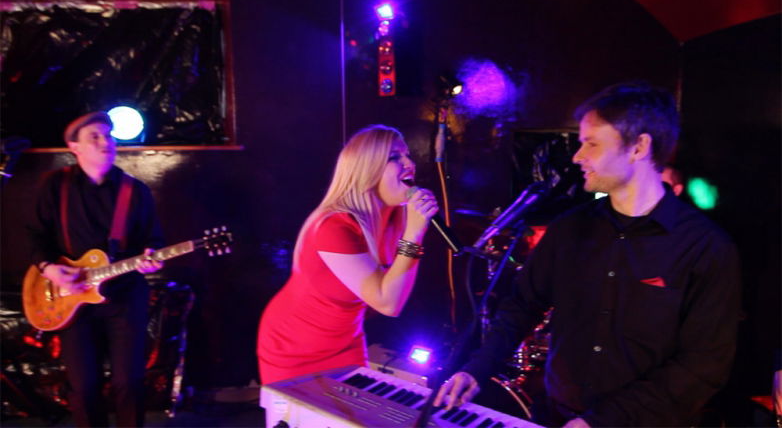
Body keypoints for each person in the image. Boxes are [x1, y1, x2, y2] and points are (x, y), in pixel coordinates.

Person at [434, 82, 741, 427]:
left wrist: (601, 421)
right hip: (558, 415)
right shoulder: (569, 229)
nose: (578, 156)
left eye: (591, 143)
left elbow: (702, 365)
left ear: (639, 147)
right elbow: (522, 305)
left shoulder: (704, 247)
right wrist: (477, 369)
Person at [257, 125, 439, 384]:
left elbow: (392, 290)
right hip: (294, 348)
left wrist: (413, 229)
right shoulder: (334, 227)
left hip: (345, 342)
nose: (410, 164)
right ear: (366, 169)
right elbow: (388, 302)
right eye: (394, 157)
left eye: (407, 155)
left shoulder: (396, 216)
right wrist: (414, 234)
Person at [27, 111, 164, 427]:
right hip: (71, 298)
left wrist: (150, 258)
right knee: (84, 387)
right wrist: (49, 268)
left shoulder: (134, 191)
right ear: (74, 147)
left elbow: (153, 241)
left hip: (124, 298)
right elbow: (35, 235)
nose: (106, 141)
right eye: (95, 136)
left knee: (128, 383)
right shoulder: (55, 185)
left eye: (109, 135)